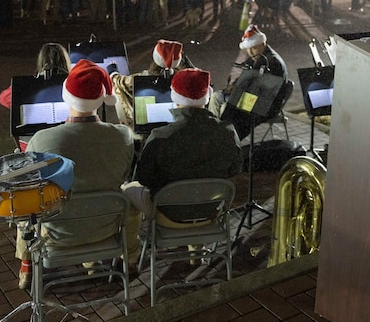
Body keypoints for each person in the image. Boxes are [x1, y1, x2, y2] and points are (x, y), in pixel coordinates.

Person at [15, 60, 134, 289]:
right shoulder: (123, 136)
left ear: (66, 96)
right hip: (106, 228)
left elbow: (26, 181)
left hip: (57, 232)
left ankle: (26, 264)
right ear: (101, 99)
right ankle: (102, 262)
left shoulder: (41, 139)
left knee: (26, 202)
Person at [122, 68, 242, 223]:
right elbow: (234, 169)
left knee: (126, 192)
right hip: (210, 211)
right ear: (207, 97)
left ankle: (133, 247)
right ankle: (196, 243)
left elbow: (145, 178)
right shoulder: (227, 131)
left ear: (175, 98)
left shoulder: (160, 136)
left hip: (168, 214)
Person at [208, 24, 288, 139]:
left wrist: (238, 94)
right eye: (248, 48)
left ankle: (227, 137)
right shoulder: (256, 57)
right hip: (250, 96)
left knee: (228, 107)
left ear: (263, 43)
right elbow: (245, 78)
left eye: (254, 47)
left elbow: (264, 92)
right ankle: (216, 133)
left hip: (265, 103)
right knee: (216, 97)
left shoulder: (273, 62)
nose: (250, 52)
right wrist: (234, 86)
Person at [108, 39, 188, 129]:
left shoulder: (141, 78)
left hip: (147, 130)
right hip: (179, 127)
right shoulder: (185, 80)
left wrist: (112, 71)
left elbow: (120, 83)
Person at [0, 42, 71, 109]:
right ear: (66, 61)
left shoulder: (31, 84)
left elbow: (4, 98)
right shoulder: (74, 81)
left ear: (41, 61)